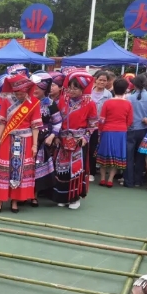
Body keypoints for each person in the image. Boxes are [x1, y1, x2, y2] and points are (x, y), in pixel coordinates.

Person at [0, 73, 41, 213]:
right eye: (17, 93)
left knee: (21, 170)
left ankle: (15, 200)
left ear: (27, 90)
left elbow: (35, 126)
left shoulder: (34, 103)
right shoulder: (7, 101)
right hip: (8, 138)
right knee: (4, 168)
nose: (19, 95)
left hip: (26, 140)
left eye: (22, 93)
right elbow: (2, 123)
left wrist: (35, 145)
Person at [54, 72, 98, 209]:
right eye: (70, 87)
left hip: (78, 142)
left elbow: (92, 125)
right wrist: (56, 136)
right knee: (62, 169)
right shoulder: (62, 100)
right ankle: (62, 197)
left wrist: (85, 138)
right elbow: (56, 120)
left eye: (75, 88)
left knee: (76, 170)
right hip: (62, 140)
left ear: (82, 89)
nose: (71, 91)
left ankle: (74, 198)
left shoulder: (90, 103)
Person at [29, 72, 61, 204]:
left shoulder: (50, 104)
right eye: (33, 87)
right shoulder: (26, 101)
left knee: (37, 167)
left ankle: (34, 195)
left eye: (39, 88)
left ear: (45, 89)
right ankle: (21, 194)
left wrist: (52, 135)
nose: (35, 90)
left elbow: (58, 122)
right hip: (26, 137)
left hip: (42, 139)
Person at [96, 78, 133, 186]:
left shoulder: (107, 102)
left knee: (104, 154)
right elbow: (130, 121)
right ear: (125, 89)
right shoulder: (128, 104)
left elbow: (102, 119)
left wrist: (100, 131)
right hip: (121, 132)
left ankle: (102, 178)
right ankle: (110, 179)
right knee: (117, 155)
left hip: (107, 131)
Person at [125, 74, 147, 188]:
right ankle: (138, 180)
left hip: (131, 129)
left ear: (134, 84)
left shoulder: (129, 98)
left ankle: (128, 181)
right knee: (141, 156)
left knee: (129, 156)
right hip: (145, 129)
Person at [88, 70, 112, 178]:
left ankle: (91, 172)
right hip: (87, 124)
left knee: (94, 148)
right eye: (100, 80)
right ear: (95, 80)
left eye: (104, 80)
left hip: (100, 126)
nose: (102, 82)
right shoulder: (89, 92)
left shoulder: (108, 95)